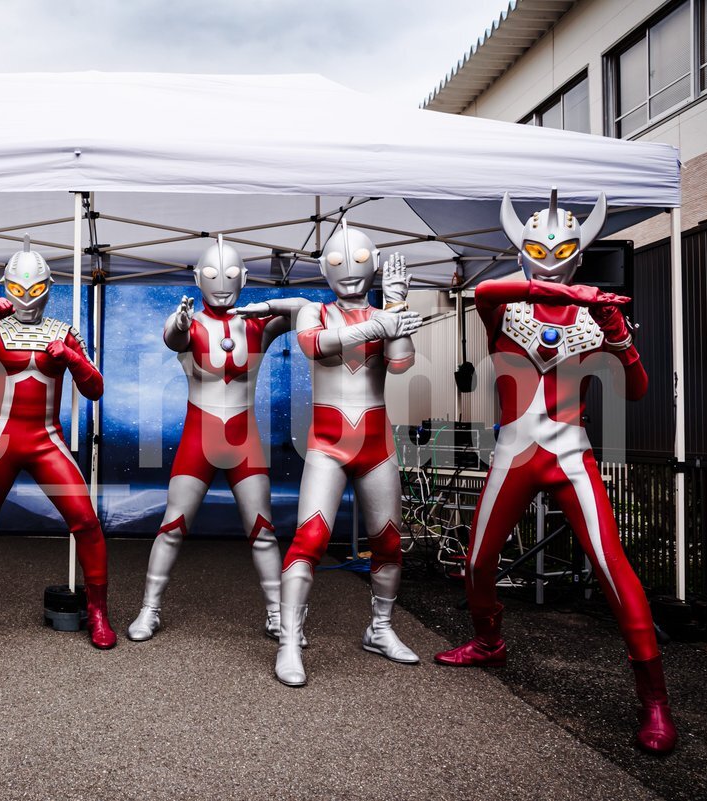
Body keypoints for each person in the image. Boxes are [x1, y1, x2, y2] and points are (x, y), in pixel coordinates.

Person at [434, 188, 676, 755]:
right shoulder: (508, 308)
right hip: (514, 453)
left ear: (578, 251)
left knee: (612, 567)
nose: (547, 259)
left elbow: (636, 391)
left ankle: (655, 700)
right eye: (537, 250)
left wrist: (619, 336)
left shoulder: (594, 317)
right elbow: (484, 290)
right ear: (522, 250)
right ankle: (488, 642)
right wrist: (572, 291)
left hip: (570, 454)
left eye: (561, 251)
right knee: (477, 560)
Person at [266, 223, 423, 687]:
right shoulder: (313, 311)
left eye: (360, 260)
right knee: (310, 538)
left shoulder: (384, 312)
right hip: (327, 446)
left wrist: (396, 305)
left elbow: (402, 362)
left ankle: (381, 628)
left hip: (377, 445)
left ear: (376, 264)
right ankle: (289, 642)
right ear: (323, 268)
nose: (350, 270)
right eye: (336, 261)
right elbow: (314, 345)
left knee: (388, 541)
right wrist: (380, 323)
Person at [127, 237, 305, 643]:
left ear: (244, 277)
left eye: (230, 274)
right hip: (200, 438)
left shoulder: (258, 324)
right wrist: (179, 323)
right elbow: (173, 337)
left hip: (244, 441)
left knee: (262, 530)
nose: (221, 283)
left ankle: (277, 614)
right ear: (197, 278)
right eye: (210, 274)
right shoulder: (189, 324)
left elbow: (306, 311)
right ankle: (149, 609)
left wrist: (268, 306)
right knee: (172, 526)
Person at [0, 238, 115, 649]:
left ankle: (98, 611)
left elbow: (95, 389)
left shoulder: (63, 332)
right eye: (17, 289)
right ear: (6, 286)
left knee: (86, 522)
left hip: (46, 439)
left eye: (35, 289)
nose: (26, 298)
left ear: (48, 288)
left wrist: (73, 358)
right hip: (1, 440)